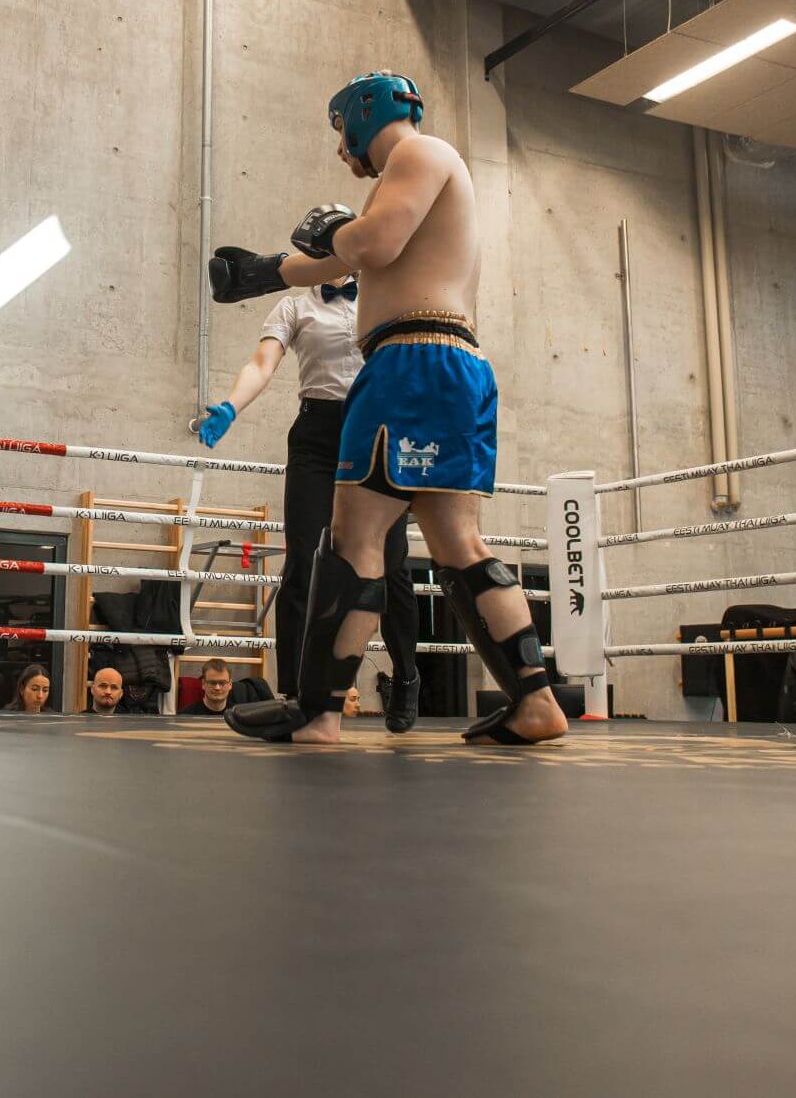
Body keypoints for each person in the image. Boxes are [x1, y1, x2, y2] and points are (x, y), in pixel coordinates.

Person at [210, 71, 566, 748]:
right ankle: (536, 702)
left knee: (354, 536)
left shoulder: (418, 153)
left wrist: (339, 232)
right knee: (457, 544)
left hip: (409, 364)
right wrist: (262, 271)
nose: (342, 150)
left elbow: (371, 245)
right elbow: (343, 259)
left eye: (341, 133)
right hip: (448, 363)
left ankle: (318, 712)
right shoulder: (415, 175)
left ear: (362, 114)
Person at [197, 272, 422, 732]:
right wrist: (232, 406)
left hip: (377, 429)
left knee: (392, 562)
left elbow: (410, 367)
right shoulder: (294, 307)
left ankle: (406, 677)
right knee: (303, 560)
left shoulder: (384, 296)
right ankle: (296, 693)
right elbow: (262, 363)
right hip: (316, 435)